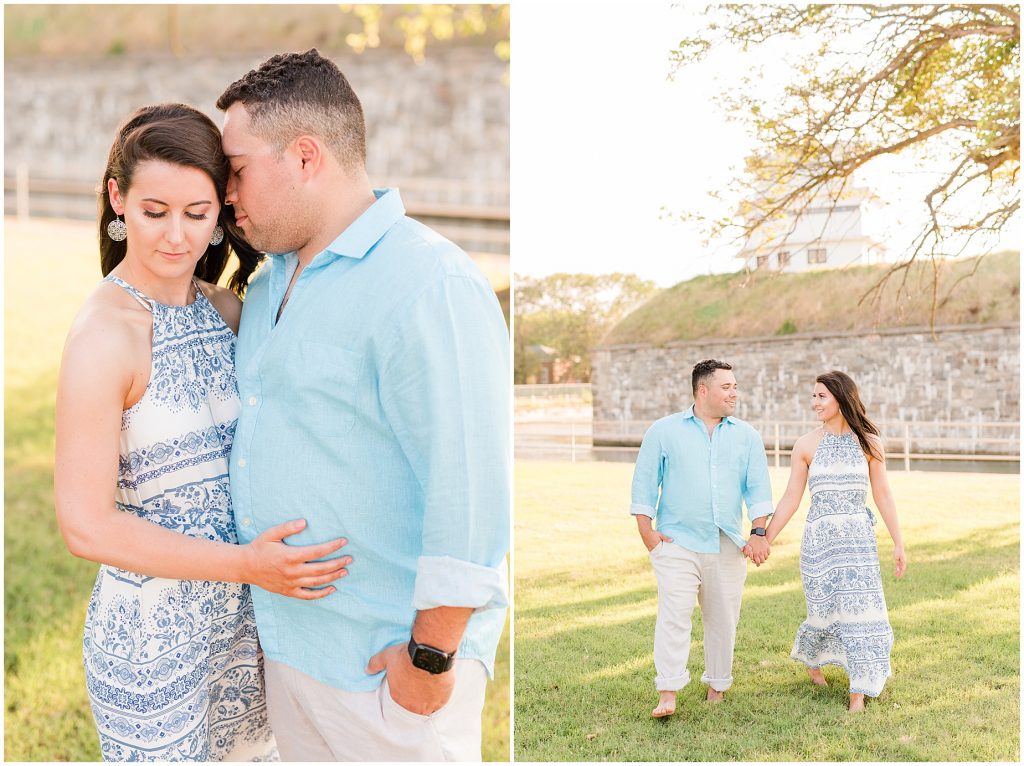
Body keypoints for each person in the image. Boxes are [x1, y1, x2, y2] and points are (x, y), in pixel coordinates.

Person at [216, 49, 509, 761]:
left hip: (387, 673)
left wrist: (430, 661)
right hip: (292, 656)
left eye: (238, 166)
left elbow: (470, 492)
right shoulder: (272, 280)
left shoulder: (427, 282)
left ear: (306, 156)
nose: (225, 190)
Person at [55, 103, 354, 761]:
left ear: (221, 212)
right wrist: (248, 564)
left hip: (244, 630)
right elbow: (86, 527)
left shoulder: (226, 310)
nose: (176, 238)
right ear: (117, 198)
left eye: (197, 214)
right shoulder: (104, 336)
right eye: (154, 210)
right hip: (151, 646)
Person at [630, 359, 773, 719]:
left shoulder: (747, 436)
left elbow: (758, 489)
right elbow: (645, 483)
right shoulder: (663, 431)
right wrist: (648, 533)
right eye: (727, 387)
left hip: (727, 543)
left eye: (736, 386)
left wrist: (758, 532)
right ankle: (668, 692)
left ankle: (717, 686)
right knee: (673, 616)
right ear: (702, 390)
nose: (734, 393)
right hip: (676, 542)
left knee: (723, 617)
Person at [764, 370, 906, 712]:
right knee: (824, 608)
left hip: (858, 541)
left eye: (821, 397)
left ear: (841, 398)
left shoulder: (869, 443)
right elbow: (790, 498)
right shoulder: (805, 445)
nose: (814, 403)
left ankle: (859, 690)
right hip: (820, 542)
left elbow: (883, 493)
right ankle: (814, 662)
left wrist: (899, 543)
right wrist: (764, 538)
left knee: (860, 610)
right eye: (813, 396)